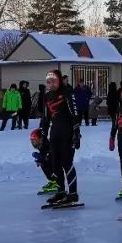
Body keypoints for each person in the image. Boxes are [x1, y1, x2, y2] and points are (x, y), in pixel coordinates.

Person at [40, 70, 81, 207]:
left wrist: (76, 132)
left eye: (53, 81)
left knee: (66, 162)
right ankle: (61, 191)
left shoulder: (67, 93)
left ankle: (73, 193)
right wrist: (43, 135)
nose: (51, 84)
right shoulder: (46, 96)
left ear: (58, 81)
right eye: (48, 82)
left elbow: (75, 113)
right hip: (55, 133)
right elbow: (45, 118)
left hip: (67, 133)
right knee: (55, 163)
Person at [29, 127, 56, 193]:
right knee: (42, 162)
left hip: (56, 163)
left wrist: (40, 158)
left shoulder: (46, 144)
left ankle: (55, 182)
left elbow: (49, 156)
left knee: (43, 162)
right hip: (52, 163)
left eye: (34, 140)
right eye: (32, 141)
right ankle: (53, 181)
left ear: (40, 139)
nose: (33, 143)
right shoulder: (41, 145)